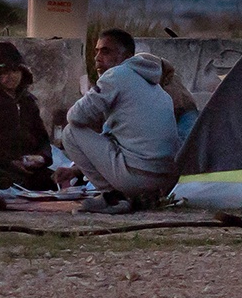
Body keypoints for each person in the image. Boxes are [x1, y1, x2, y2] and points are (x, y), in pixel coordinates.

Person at [62, 29, 179, 211]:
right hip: (167, 182)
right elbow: (115, 138)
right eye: (97, 51)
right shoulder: (157, 89)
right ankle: (129, 197)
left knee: (70, 132)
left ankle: (114, 197)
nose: (97, 58)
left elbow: (75, 116)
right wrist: (76, 170)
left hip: (138, 177)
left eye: (106, 51)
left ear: (127, 56)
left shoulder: (117, 75)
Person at [0, 42, 52, 190]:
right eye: (5, 72)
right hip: (0, 166)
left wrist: (42, 157)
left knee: (53, 181)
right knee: (5, 183)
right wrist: (9, 162)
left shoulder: (28, 102)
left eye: (15, 71)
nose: (11, 76)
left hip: (29, 166)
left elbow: (42, 138)